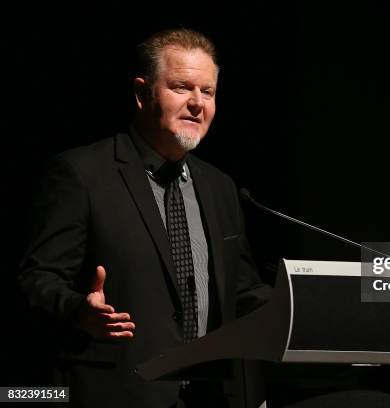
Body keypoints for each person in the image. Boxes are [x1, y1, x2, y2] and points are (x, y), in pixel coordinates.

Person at [18, 28, 271, 408]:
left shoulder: (220, 187)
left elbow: (242, 291)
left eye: (208, 92)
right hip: (116, 394)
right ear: (141, 94)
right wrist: (77, 310)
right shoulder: (81, 174)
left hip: (209, 398)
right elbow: (36, 280)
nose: (197, 103)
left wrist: (314, 308)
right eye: (182, 87)